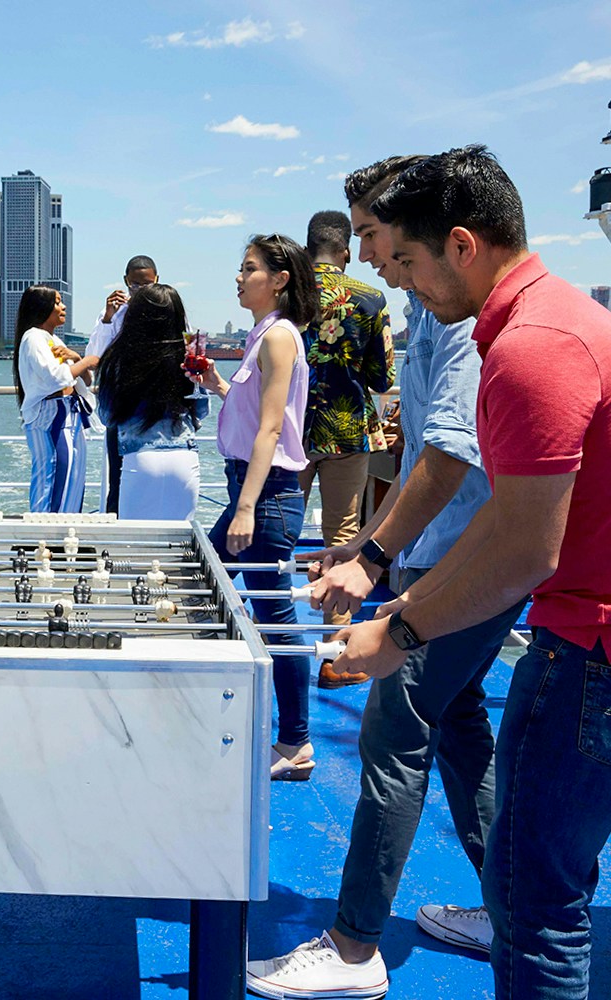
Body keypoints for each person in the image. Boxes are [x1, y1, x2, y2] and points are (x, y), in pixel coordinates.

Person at [330, 145, 611, 1000]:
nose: (404, 282)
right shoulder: (564, 318)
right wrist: (404, 604)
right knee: (545, 882)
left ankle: (351, 945)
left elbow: (529, 549)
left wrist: (401, 629)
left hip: (585, 651)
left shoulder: (528, 349)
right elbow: (516, 509)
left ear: (461, 245)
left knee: (538, 911)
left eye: (407, 261)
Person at [247, 156, 523, 1000]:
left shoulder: (459, 316)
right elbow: (419, 456)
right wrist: (367, 540)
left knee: (393, 732)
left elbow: (447, 455)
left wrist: (372, 561)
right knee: (465, 727)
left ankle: (355, 946)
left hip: (463, 559)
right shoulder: (419, 309)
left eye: (380, 239)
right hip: (435, 546)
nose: (370, 257)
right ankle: (505, 909)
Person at [187, 234, 318, 780]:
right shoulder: (260, 335)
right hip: (254, 487)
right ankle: (286, 737)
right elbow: (257, 418)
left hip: (265, 496)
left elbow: (271, 430)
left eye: (249, 269)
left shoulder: (280, 337)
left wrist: (244, 509)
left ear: (280, 279)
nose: (238, 278)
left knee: (268, 619)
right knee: (221, 596)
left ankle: (295, 744)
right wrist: (218, 385)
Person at [297, 209, 396, 688]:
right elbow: (382, 378)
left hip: (290, 434)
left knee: (275, 534)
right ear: (344, 251)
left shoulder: (285, 293)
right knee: (340, 539)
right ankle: (335, 659)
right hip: (346, 430)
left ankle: (259, 641)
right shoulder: (371, 299)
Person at [95, 282, 206, 520]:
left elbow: (106, 416)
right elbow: (202, 409)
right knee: (181, 547)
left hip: (140, 457)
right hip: (184, 457)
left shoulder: (117, 358)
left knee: (134, 547)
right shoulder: (189, 357)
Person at [85, 254, 159, 513]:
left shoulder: (166, 309)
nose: (140, 291)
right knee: (118, 478)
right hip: (121, 407)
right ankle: (114, 537)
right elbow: (95, 357)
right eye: (135, 285)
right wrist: (107, 318)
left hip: (155, 407)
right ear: (126, 282)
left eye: (147, 284)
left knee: (153, 475)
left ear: (157, 281)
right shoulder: (113, 315)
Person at [14, 285, 96, 513]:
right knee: (54, 472)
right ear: (43, 308)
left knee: (73, 473)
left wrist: (79, 358)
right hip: (51, 415)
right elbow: (55, 377)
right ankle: (46, 532)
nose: (63, 306)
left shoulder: (54, 340)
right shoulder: (33, 338)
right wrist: (87, 361)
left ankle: (67, 529)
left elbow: (84, 382)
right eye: (57, 302)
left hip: (70, 413)